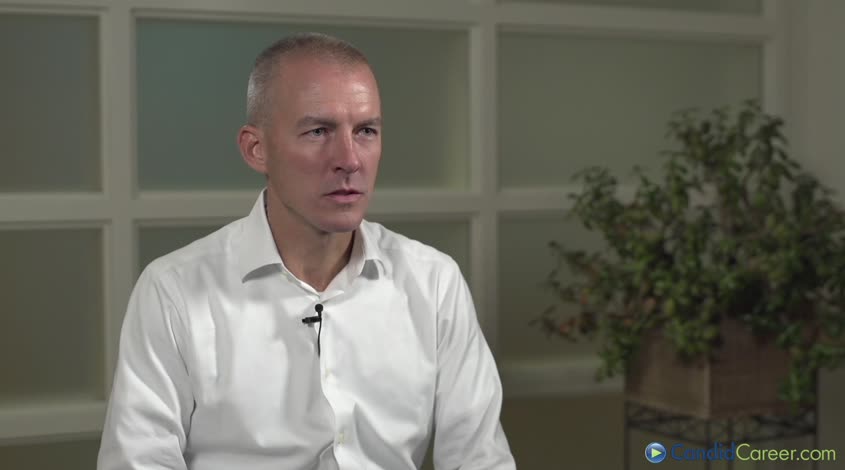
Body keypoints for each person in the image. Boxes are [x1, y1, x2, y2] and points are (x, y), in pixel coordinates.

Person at [97, 32, 516, 470]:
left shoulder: (433, 282)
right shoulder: (174, 290)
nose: (349, 159)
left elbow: (480, 460)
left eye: (366, 131)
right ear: (256, 149)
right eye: (318, 131)